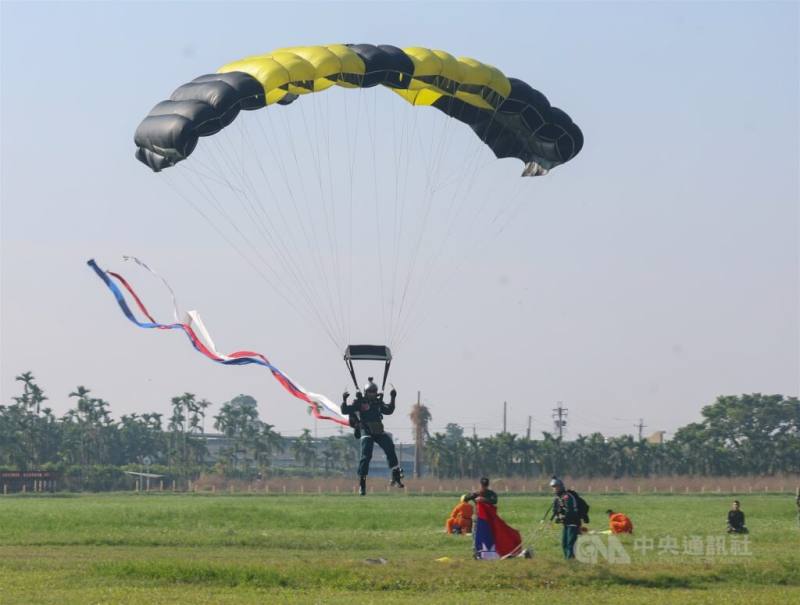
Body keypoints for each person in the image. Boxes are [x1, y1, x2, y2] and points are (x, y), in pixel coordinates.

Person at [341, 377, 404, 496]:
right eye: (370, 392)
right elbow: (345, 410)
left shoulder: (378, 403)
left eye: (374, 391)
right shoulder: (359, 403)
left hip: (378, 431)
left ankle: (395, 474)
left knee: (390, 446)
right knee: (366, 456)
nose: (372, 394)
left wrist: (393, 397)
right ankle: (362, 484)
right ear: (366, 392)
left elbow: (389, 410)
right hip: (366, 431)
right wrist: (344, 400)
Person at [464, 477, 522, 559]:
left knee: (489, 534)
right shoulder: (476, 493)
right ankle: (476, 552)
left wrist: (483, 499)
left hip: (488, 519)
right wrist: (472, 495)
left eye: (485, 485)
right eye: (483, 485)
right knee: (475, 535)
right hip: (477, 518)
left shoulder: (491, 494)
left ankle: (488, 551)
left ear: (487, 485)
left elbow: (494, 501)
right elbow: (465, 499)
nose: (484, 487)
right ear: (480, 485)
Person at [550, 476, 587, 559]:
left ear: (561, 486)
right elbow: (555, 510)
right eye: (553, 487)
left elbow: (571, 511)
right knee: (564, 544)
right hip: (566, 524)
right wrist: (557, 517)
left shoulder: (567, 496)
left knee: (570, 544)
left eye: (556, 487)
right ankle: (568, 560)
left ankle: (571, 561)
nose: (554, 489)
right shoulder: (558, 498)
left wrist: (562, 517)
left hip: (573, 523)